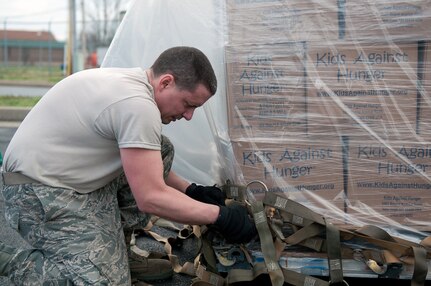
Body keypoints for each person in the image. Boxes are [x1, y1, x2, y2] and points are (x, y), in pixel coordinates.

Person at [0, 46, 257, 285]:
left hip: (71, 178)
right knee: (103, 283)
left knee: (161, 147)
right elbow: (150, 197)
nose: (189, 116)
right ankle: (10, 260)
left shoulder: (135, 83)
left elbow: (146, 164)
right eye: (188, 105)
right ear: (166, 82)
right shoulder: (137, 106)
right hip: (36, 192)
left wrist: (191, 190)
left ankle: (114, 253)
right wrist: (219, 216)